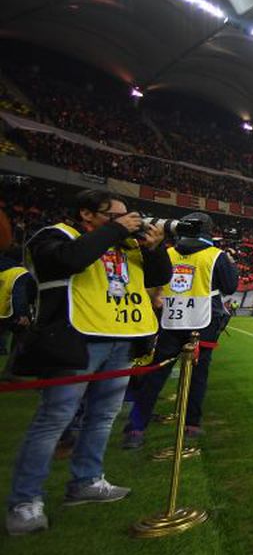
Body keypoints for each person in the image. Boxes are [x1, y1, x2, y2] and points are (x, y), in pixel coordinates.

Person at [7, 190, 171, 536]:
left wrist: (154, 248)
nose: (128, 221)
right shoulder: (54, 236)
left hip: (121, 338)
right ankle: (24, 502)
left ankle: (87, 481)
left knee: (103, 416)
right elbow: (68, 261)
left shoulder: (127, 245)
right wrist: (114, 231)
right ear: (86, 215)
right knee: (55, 419)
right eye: (116, 216)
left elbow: (158, 277)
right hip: (76, 340)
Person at [124, 214, 239, 447]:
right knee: (197, 377)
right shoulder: (215, 256)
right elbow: (229, 287)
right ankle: (192, 425)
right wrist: (232, 263)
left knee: (155, 377)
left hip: (171, 322)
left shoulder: (168, 252)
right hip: (203, 324)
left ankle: (135, 429)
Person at [1, 249, 34, 369]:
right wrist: (22, 314)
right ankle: (11, 370)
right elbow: (19, 294)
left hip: (3, 310)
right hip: (8, 312)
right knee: (21, 337)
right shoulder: (20, 272)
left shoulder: (5, 269)